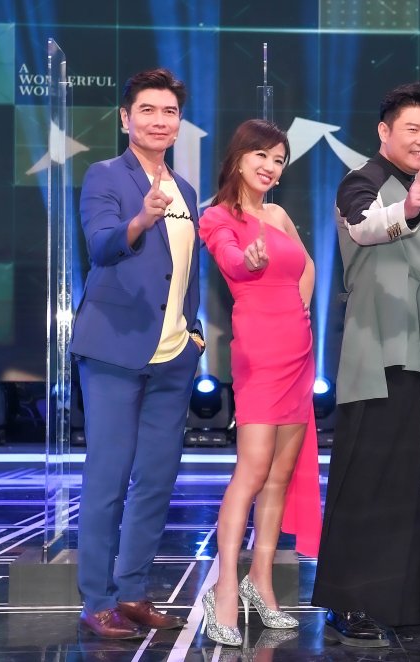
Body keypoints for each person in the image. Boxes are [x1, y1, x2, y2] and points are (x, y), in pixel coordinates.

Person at [311, 81, 420, 648]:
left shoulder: (418, 186)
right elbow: (364, 226)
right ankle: (349, 600)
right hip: (379, 350)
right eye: (412, 128)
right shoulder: (364, 180)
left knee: (417, 473)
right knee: (368, 477)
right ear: (384, 131)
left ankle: (418, 595)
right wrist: (407, 210)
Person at [70, 68, 203, 639]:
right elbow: (101, 246)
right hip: (114, 351)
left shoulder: (186, 190)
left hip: (173, 356)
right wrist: (142, 218)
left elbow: (185, 270)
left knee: (156, 479)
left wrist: (194, 334)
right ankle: (96, 599)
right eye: (147, 110)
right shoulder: (105, 175)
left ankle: (132, 592)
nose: (159, 121)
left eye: (169, 112)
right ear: (126, 119)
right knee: (108, 476)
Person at [198, 119, 321, 646]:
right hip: (258, 351)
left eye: (279, 160)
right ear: (238, 158)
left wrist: (302, 306)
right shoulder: (217, 216)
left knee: (280, 475)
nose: (271, 167)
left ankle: (261, 582)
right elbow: (230, 257)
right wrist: (247, 261)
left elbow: (306, 264)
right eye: (262, 156)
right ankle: (224, 588)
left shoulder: (279, 214)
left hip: (298, 349)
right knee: (251, 472)